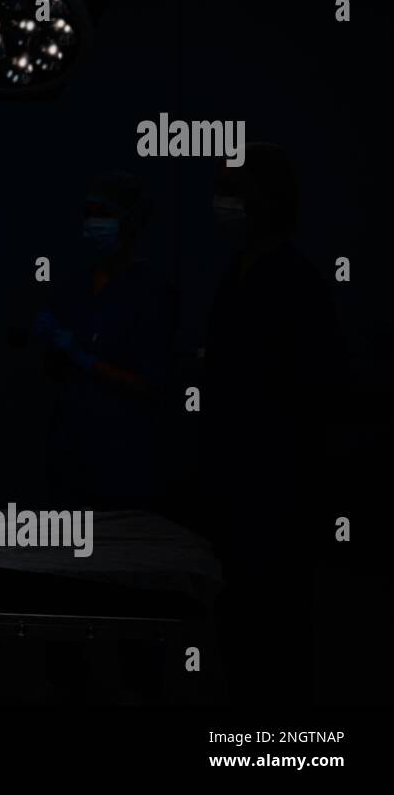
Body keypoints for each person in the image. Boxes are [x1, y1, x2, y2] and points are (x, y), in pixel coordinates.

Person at [202, 143, 340, 704]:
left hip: (278, 486)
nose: (224, 203)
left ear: (268, 200)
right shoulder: (235, 274)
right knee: (240, 622)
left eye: (236, 191)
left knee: (277, 625)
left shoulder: (296, 283)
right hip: (236, 482)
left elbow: (316, 394)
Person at [35, 172, 177, 509]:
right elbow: (55, 371)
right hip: (72, 448)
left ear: (131, 221)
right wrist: (52, 347)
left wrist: (85, 359)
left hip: (122, 454)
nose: (92, 222)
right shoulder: (75, 286)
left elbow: (149, 385)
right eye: (89, 213)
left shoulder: (152, 292)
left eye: (104, 213)